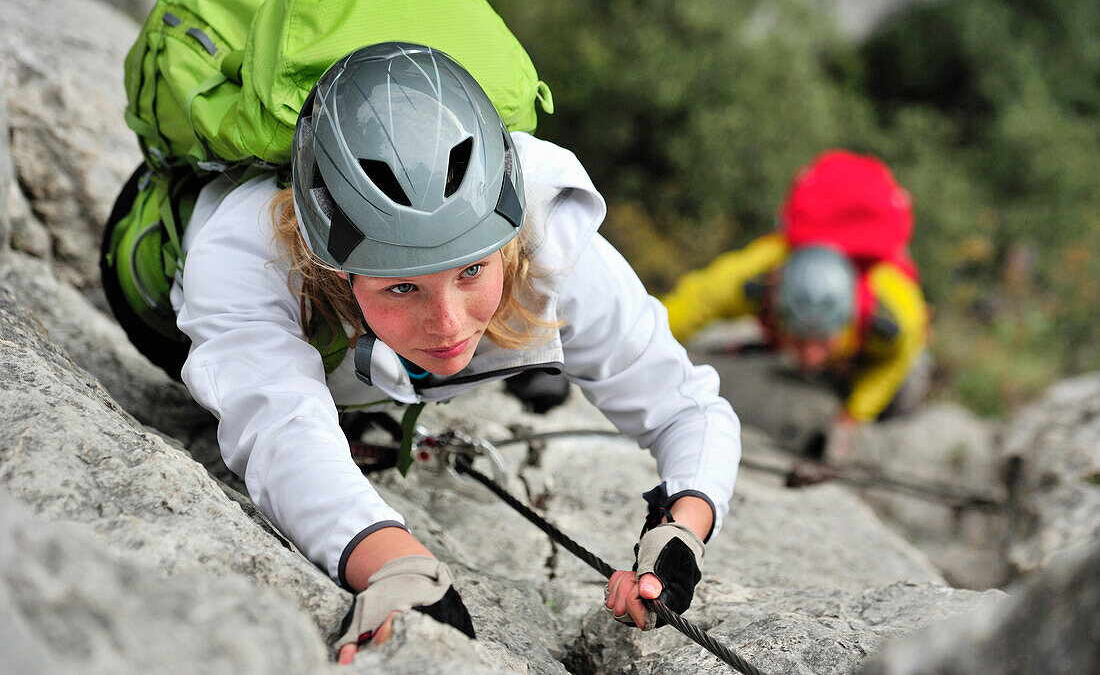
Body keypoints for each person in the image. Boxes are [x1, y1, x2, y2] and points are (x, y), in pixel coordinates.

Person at [167, 42, 741, 661]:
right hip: (164, 317)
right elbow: (278, 425)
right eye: (402, 286)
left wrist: (681, 529)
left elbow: (688, 408)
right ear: (332, 269)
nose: (447, 324)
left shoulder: (552, 241)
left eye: (471, 271)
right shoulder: (245, 253)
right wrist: (397, 565)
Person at [661, 151, 930, 464]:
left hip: (866, 350)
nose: (811, 356)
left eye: (821, 341)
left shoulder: (894, 318)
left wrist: (852, 417)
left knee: (914, 368)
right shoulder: (758, 275)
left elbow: (894, 364)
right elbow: (689, 305)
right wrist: (633, 347)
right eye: (800, 339)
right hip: (802, 324)